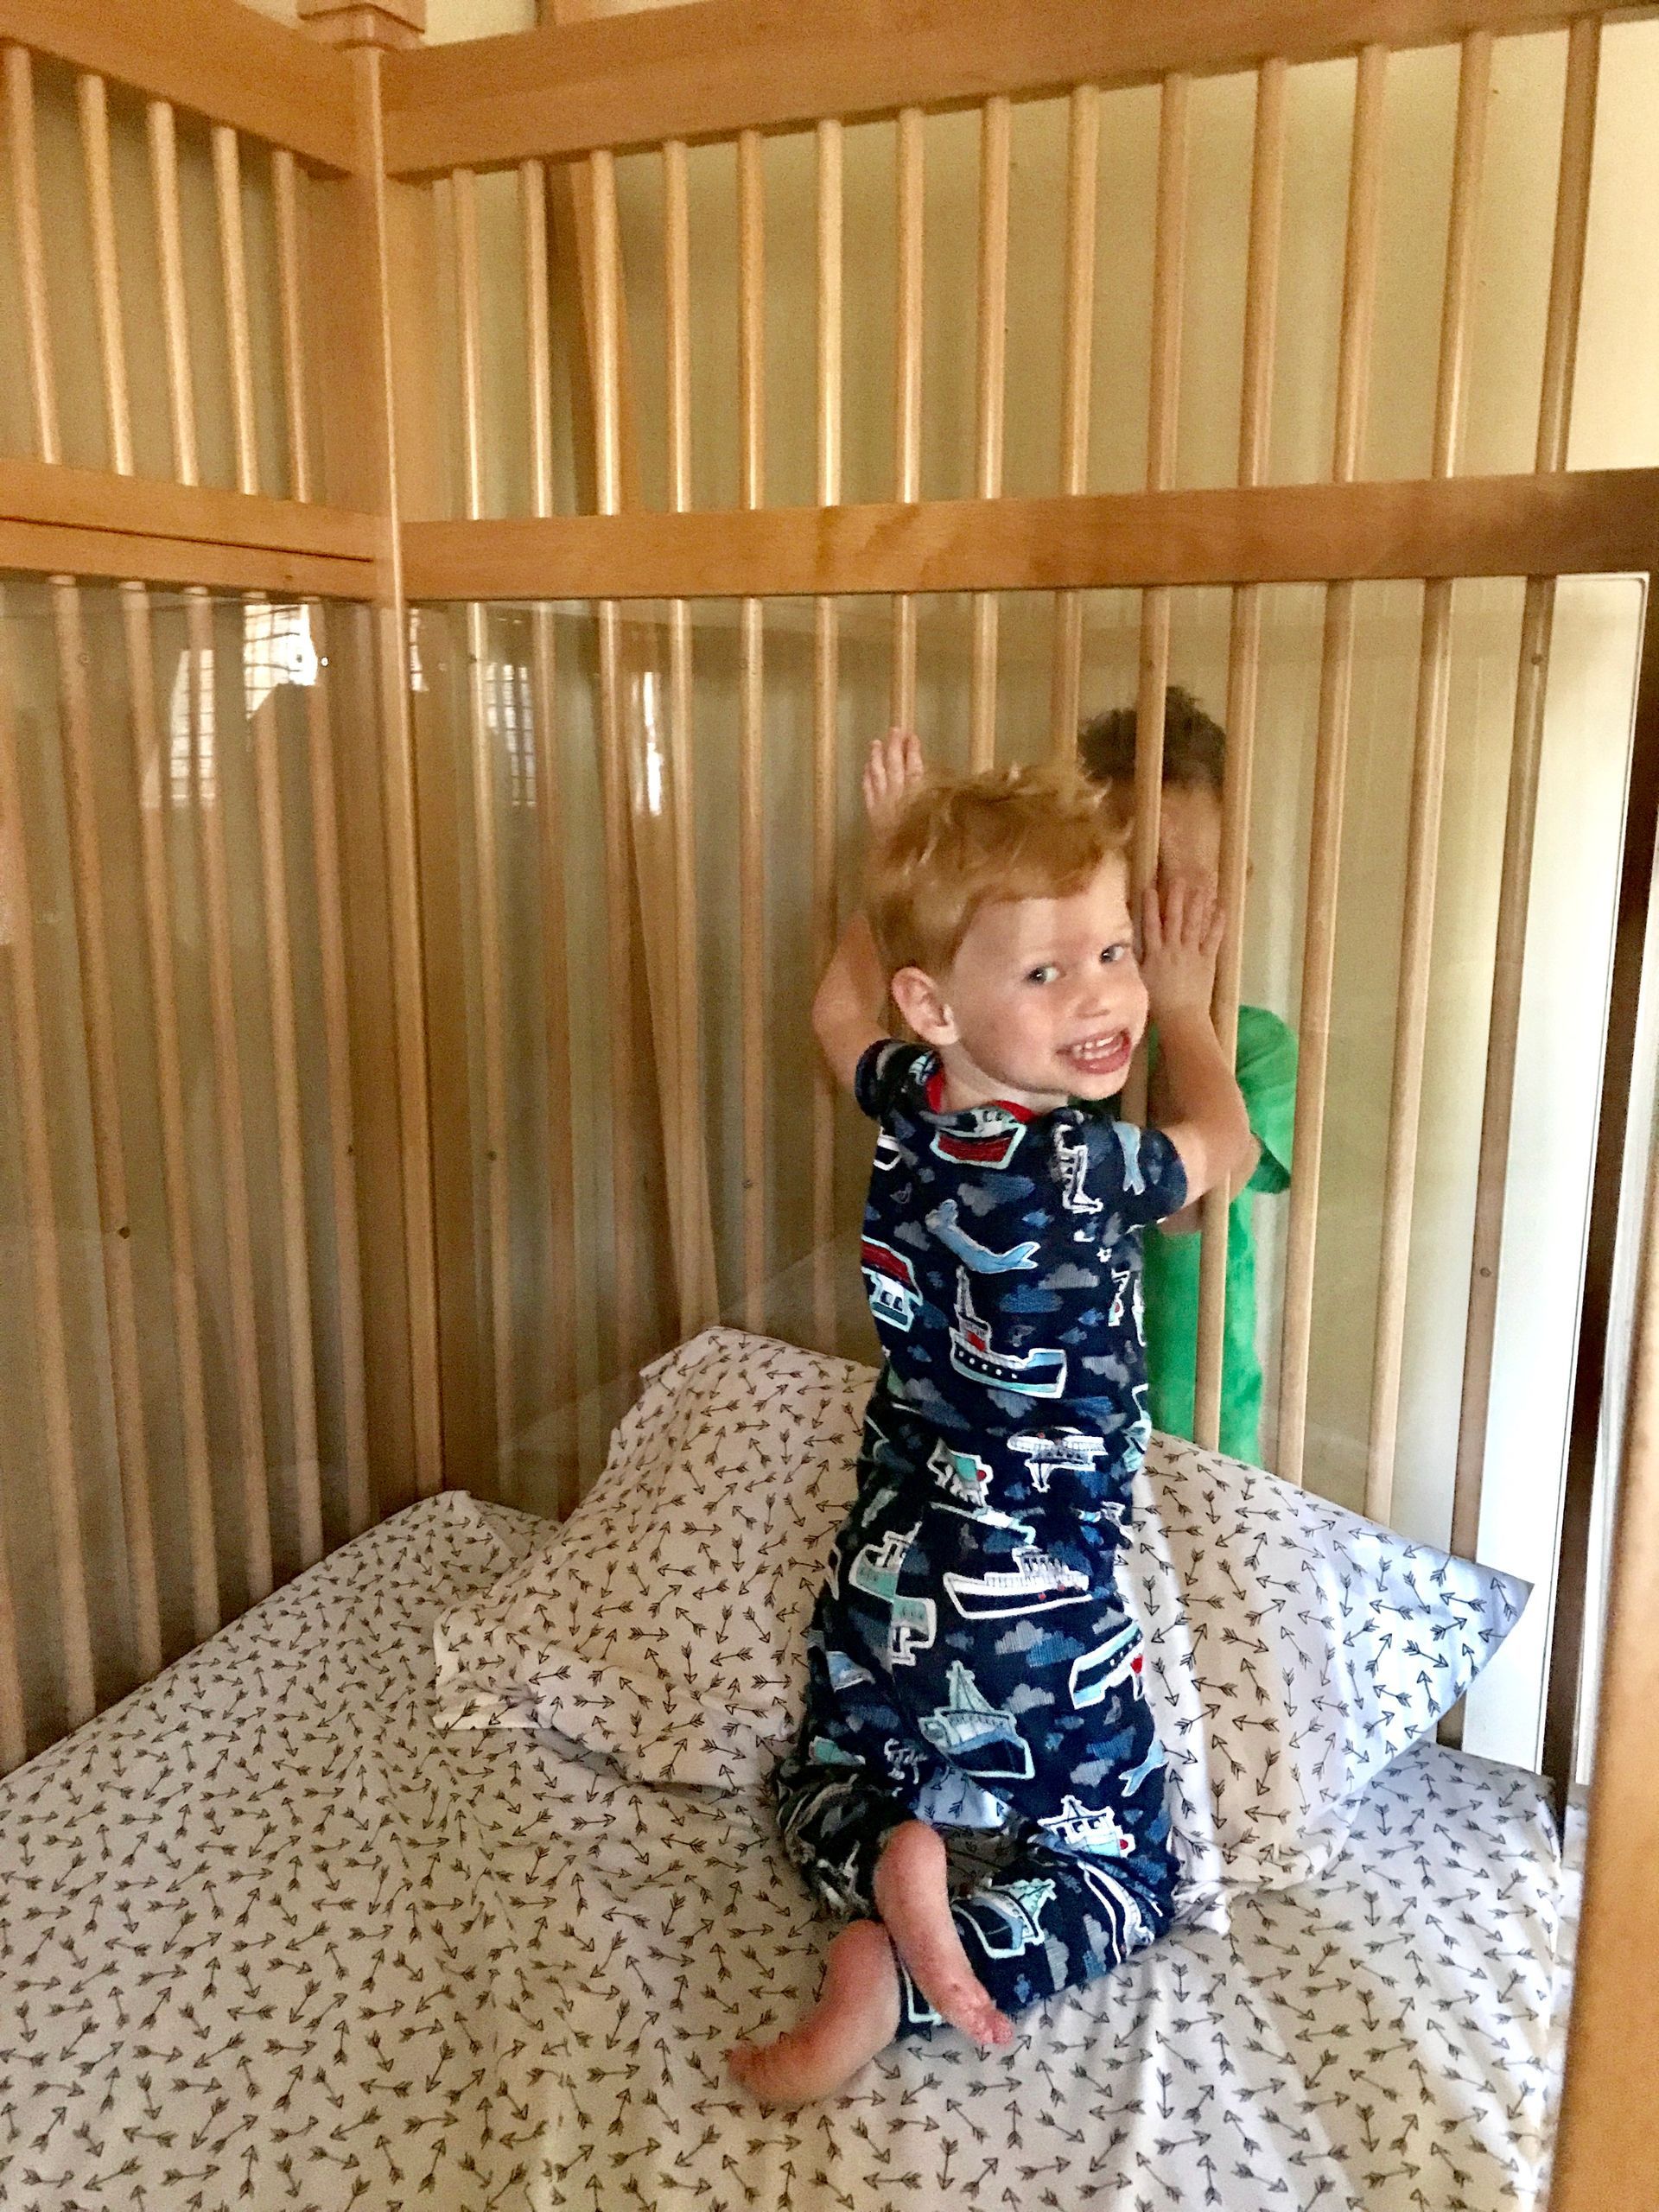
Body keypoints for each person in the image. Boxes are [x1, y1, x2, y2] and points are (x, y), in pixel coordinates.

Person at [727, 753, 1254, 2106]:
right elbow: (1227, 1146)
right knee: (1126, 1866)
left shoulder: (910, 1099)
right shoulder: (1086, 1164)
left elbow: (835, 1007)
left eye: (1116, 953)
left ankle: (879, 1852)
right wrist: (1186, 1004)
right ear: (938, 1002)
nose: (1100, 996)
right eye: (1046, 971)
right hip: (1040, 1611)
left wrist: (889, 869)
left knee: (820, 1776)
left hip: (888, 1572)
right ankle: (911, 1978)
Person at [1078, 690, 1296, 1467]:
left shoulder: (1253, 1045)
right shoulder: (1050, 1040)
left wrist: (1179, 1012)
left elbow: (1190, 1207)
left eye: (1181, 879)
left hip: (1199, 1420)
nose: (1152, 907)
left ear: (1234, 889)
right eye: (1129, 878)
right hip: (1060, 1417)